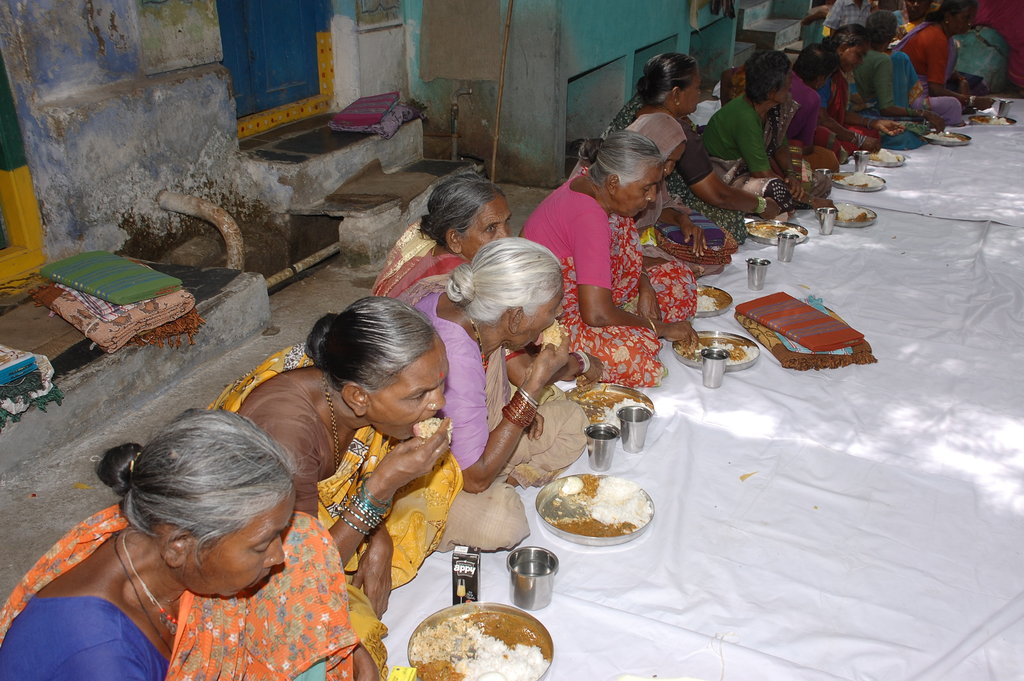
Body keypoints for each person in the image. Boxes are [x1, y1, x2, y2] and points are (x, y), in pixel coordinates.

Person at [0, 409, 357, 681]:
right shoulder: (102, 656)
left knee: (305, 541)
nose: (279, 555)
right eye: (263, 544)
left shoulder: (154, 551)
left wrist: (338, 646)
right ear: (179, 545)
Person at [211, 297, 457, 681]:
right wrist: (381, 489)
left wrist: (379, 540)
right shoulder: (285, 432)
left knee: (438, 476)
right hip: (268, 570)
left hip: (318, 531)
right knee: (350, 656)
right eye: (419, 395)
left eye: (440, 384)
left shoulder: (352, 393)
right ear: (358, 397)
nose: (439, 403)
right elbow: (297, 572)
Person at [401, 238, 591, 550]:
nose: (557, 316)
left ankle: (512, 478)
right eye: (552, 309)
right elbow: (474, 478)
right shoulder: (453, 356)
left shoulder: (479, 314)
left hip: (479, 445)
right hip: (433, 475)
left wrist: (521, 411)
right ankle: (498, 487)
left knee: (572, 418)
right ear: (515, 318)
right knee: (504, 522)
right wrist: (530, 391)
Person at [523, 130, 699, 388]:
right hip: (555, 318)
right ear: (614, 183)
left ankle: (632, 319)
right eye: (647, 188)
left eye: (655, 187)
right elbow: (595, 314)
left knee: (679, 278)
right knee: (638, 354)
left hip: (596, 295)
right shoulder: (588, 216)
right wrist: (659, 328)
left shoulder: (593, 185)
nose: (652, 197)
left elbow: (616, 258)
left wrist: (644, 284)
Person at [606, 53, 782, 245]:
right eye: (697, 87)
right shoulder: (675, 132)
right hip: (639, 202)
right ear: (675, 94)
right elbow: (717, 195)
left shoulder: (636, 106)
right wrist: (761, 205)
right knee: (731, 222)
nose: (699, 93)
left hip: (630, 197)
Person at [703, 51, 833, 216]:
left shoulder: (772, 108)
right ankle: (790, 203)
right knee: (775, 189)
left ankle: (789, 203)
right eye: (787, 83)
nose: (791, 87)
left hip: (755, 173)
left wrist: (791, 175)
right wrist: (812, 201)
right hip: (728, 179)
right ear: (772, 91)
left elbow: (780, 146)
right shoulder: (744, 116)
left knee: (822, 182)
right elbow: (761, 173)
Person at [372, 172, 511, 298]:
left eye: (507, 222)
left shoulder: (431, 248)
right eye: (491, 228)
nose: (506, 237)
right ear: (455, 239)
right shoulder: (460, 287)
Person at [854, 10, 955, 133]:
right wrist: (923, 113)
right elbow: (886, 109)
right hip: (874, 120)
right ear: (892, 36)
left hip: (855, 117)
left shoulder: (857, 53)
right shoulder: (886, 59)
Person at [815, 24, 906, 154]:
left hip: (832, 127)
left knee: (872, 134)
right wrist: (858, 139)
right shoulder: (823, 74)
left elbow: (839, 113)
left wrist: (874, 123)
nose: (861, 61)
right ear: (842, 48)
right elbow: (822, 119)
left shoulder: (839, 74)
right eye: (859, 55)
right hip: (818, 132)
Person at [895, 0, 995, 118]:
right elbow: (935, 90)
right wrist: (971, 101)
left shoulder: (941, 34)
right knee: (953, 105)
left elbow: (939, 69)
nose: (969, 24)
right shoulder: (936, 38)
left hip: (919, 88)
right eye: (965, 18)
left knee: (976, 85)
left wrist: (961, 79)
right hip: (908, 98)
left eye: (971, 19)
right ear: (948, 16)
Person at [789, 45, 844, 171]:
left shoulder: (783, 77)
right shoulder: (811, 97)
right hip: (779, 152)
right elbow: (806, 148)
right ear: (820, 79)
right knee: (829, 160)